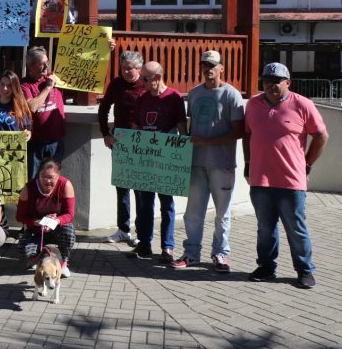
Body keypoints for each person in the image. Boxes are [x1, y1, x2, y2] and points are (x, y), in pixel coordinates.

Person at [243, 62, 328, 288]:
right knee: (265, 228)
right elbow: (247, 134)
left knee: (296, 228)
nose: (270, 85)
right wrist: (248, 163)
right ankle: (266, 267)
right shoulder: (253, 104)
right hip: (260, 179)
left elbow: (321, 136)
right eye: (266, 80)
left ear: (288, 82)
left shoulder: (302, 104)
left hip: (291, 181)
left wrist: (307, 163)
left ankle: (305, 270)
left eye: (276, 81)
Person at [171, 50, 244, 272]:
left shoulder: (232, 95)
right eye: (204, 65)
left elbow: (239, 131)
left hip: (222, 164)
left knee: (222, 213)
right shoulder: (193, 94)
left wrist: (208, 142)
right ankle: (191, 254)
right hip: (195, 163)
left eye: (212, 65)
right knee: (193, 213)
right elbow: (189, 126)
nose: (208, 69)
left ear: (221, 68)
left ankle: (220, 254)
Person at [129, 61, 187, 263]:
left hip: (166, 161)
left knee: (166, 204)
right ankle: (144, 243)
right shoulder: (142, 98)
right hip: (146, 159)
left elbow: (182, 128)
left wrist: (183, 156)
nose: (142, 82)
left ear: (158, 78)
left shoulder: (174, 97)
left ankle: (167, 247)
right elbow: (136, 126)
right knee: (144, 203)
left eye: (145, 79)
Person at [98, 51, 146, 245]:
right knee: (122, 187)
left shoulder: (146, 84)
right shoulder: (116, 84)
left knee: (141, 190)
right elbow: (104, 108)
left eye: (130, 68)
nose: (126, 71)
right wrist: (106, 134)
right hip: (120, 142)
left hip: (142, 143)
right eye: (123, 68)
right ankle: (123, 229)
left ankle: (142, 232)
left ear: (139, 68)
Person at [16, 158, 75, 277]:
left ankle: (63, 262)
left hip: (58, 228)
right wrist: (36, 222)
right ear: (38, 174)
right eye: (43, 176)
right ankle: (38, 258)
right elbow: (19, 216)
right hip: (36, 229)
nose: (47, 181)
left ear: (58, 175)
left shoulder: (65, 185)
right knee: (22, 249)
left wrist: (56, 221)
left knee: (69, 230)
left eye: (51, 177)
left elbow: (70, 215)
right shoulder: (29, 188)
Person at [20, 46, 65, 178]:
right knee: (33, 179)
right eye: (42, 63)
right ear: (31, 66)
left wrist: (105, 50)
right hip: (35, 143)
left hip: (55, 142)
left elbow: (81, 77)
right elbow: (32, 107)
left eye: (47, 62)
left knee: (53, 179)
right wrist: (48, 88)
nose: (46, 66)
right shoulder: (24, 85)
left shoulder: (55, 78)